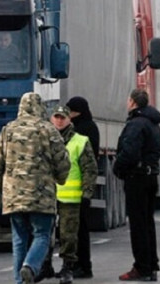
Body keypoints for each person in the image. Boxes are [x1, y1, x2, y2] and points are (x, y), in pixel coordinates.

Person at [0, 92, 71, 284]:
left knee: (19, 239)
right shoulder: (49, 130)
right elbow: (62, 162)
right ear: (41, 108)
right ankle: (30, 267)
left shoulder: (8, 130)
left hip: (14, 196)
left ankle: (20, 281)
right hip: (42, 196)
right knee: (41, 235)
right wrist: (61, 178)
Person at [113, 89, 160, 282]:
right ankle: (151, 265)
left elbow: (130, 152)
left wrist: (118, 167)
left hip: (137, 178)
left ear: (133, 103)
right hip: (151, 176)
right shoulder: (153, 123)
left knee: (138, 225)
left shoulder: (136, 124)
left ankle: (142, 267)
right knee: (148, 223)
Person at [47, 104, 98, 284]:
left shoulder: (80, 141)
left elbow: (90, 170)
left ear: (69, 119)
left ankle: (68, 266)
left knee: (68, 235)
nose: (59, 121)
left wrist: (87, 193)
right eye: (56, 117)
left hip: (71, 198)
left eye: (63, 117)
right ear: (51, 119)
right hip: (47, 197)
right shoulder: (44, 140)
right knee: (45, 233)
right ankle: (46, 266)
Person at [67, 97, 99, 279]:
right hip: (77, 187)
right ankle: (80, 264)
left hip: (79, 186)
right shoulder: (90, 127)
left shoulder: (82, 130)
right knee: (77, 229)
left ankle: (83, 265)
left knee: (79, 230)